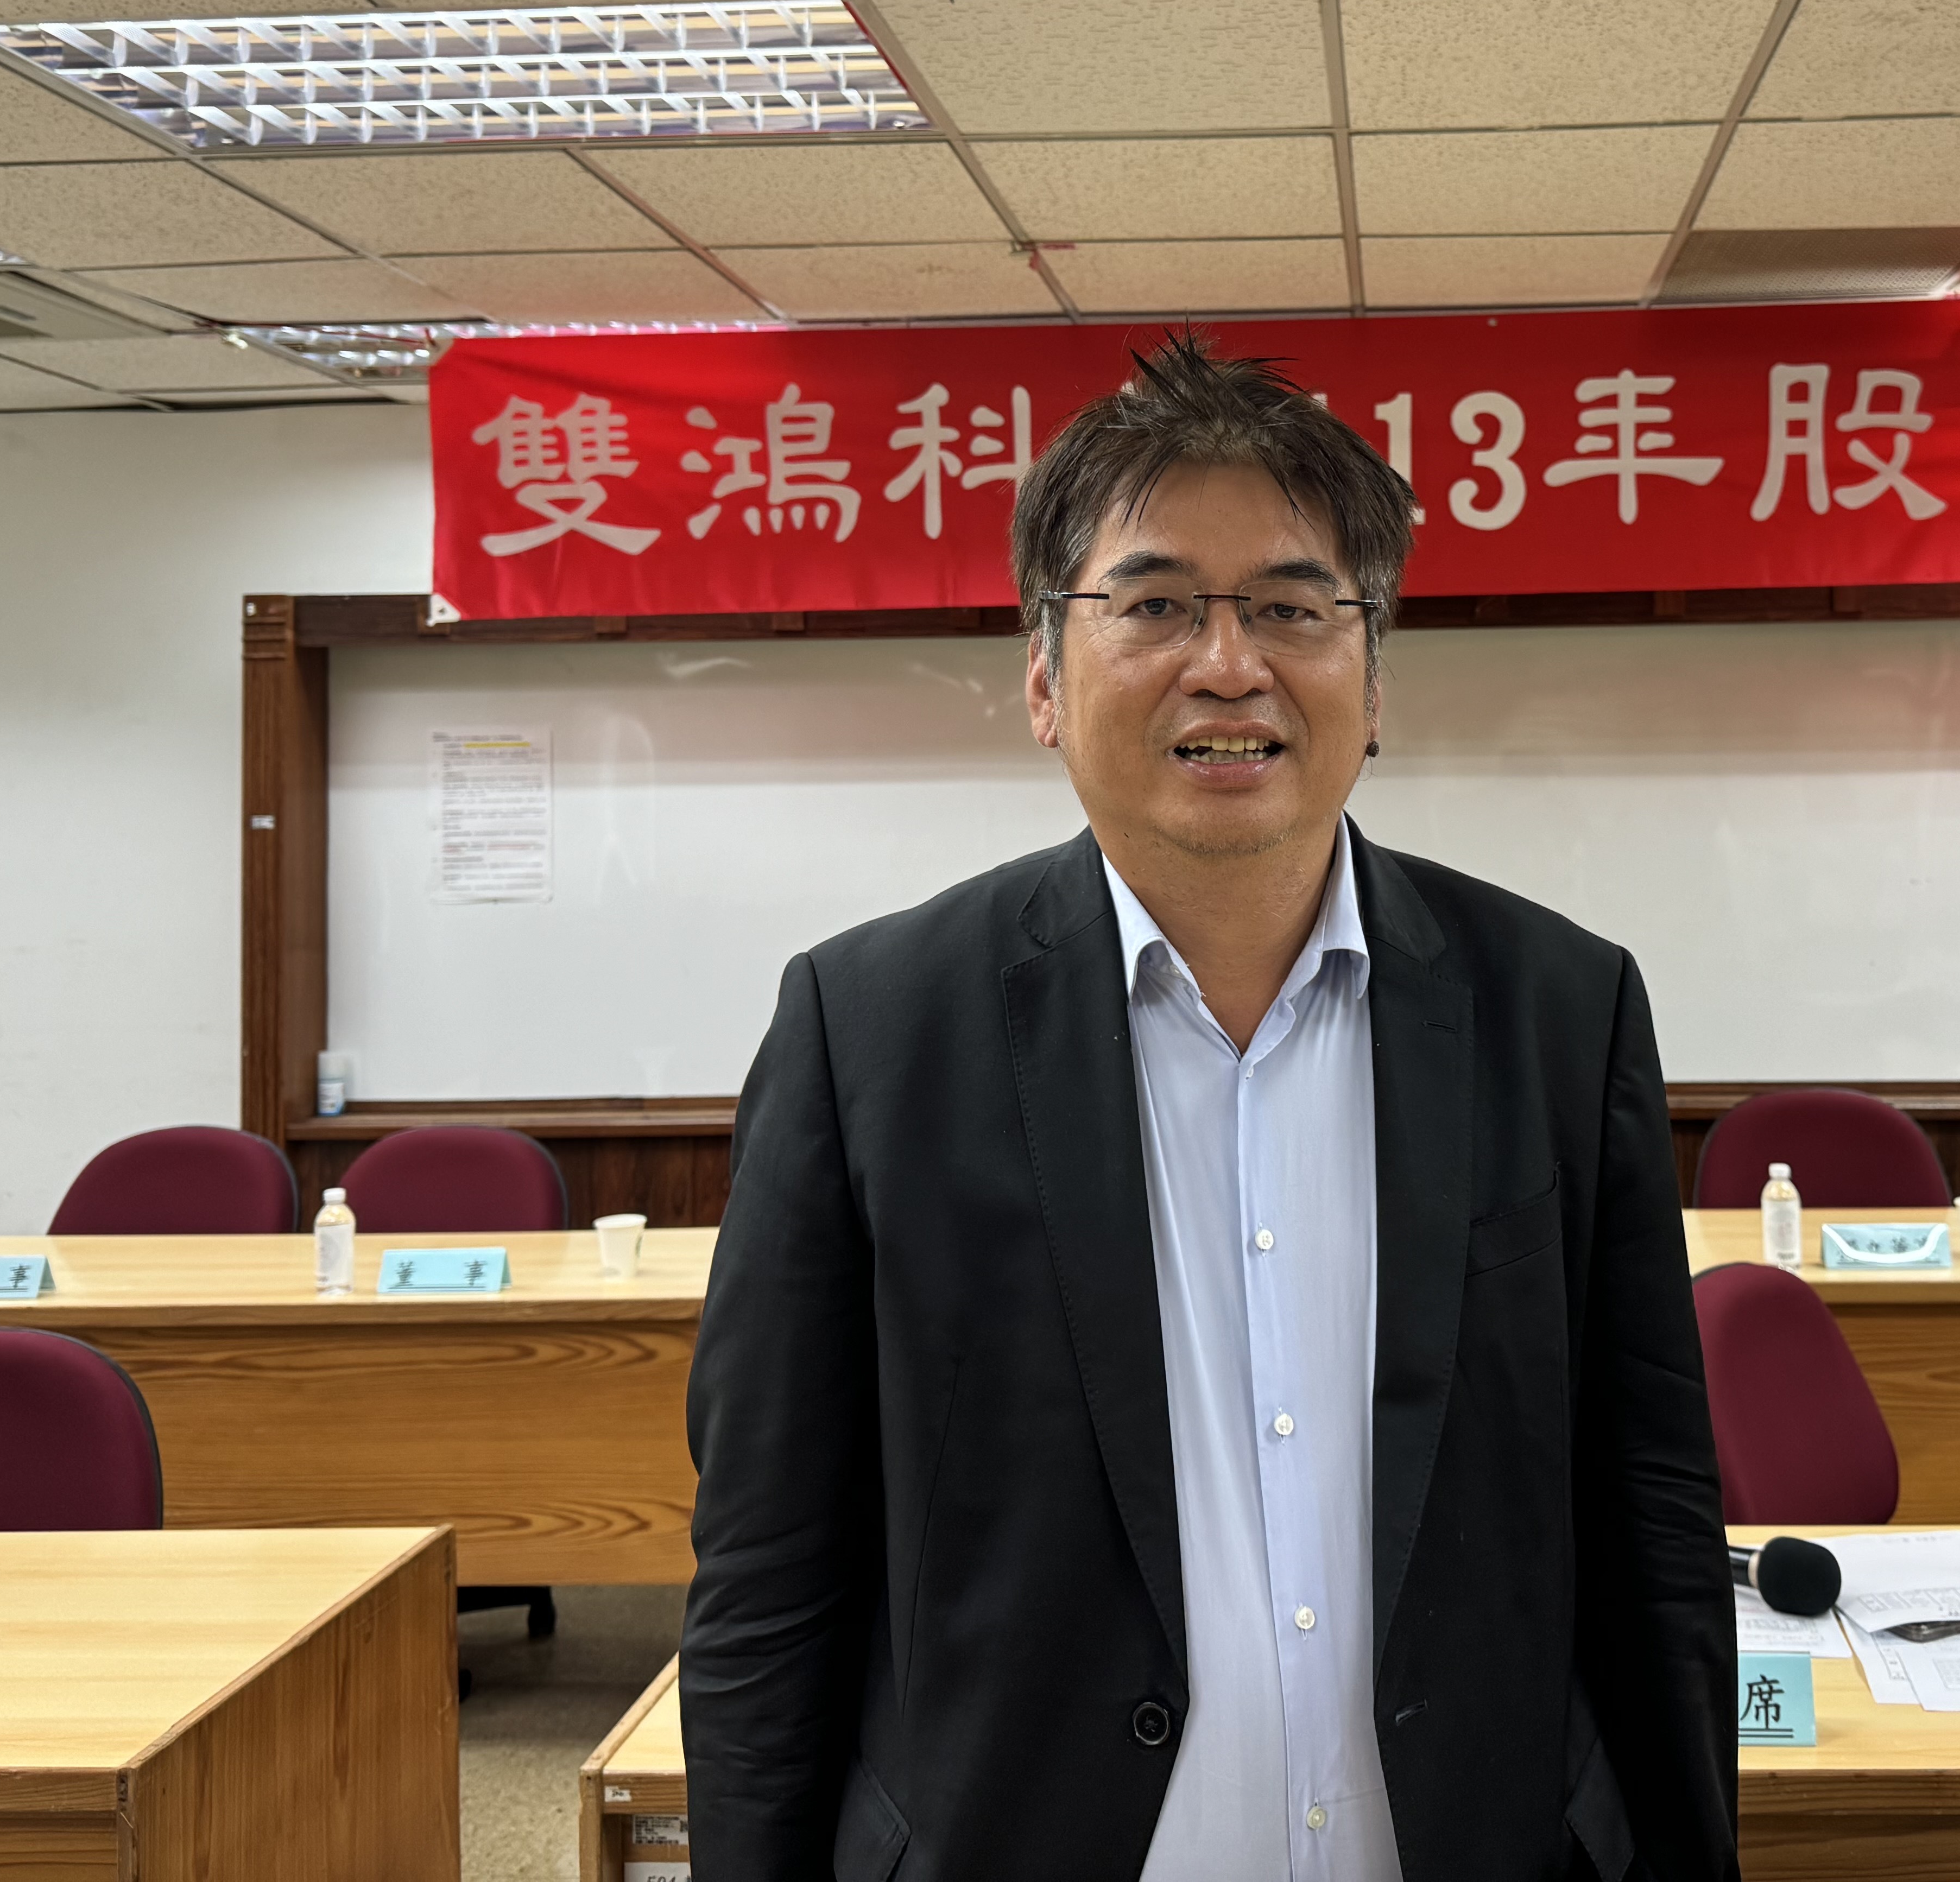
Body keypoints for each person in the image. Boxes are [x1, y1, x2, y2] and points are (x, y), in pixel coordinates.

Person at [681, 332, 1736, 1882]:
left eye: (1295, 608)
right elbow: (770, 1573)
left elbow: (1653, 1522)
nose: (1230, 664)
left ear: (1375, 681)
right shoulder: (870, 1032)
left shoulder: (1559, 1012)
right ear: (1044, 677)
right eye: (1158, 603)